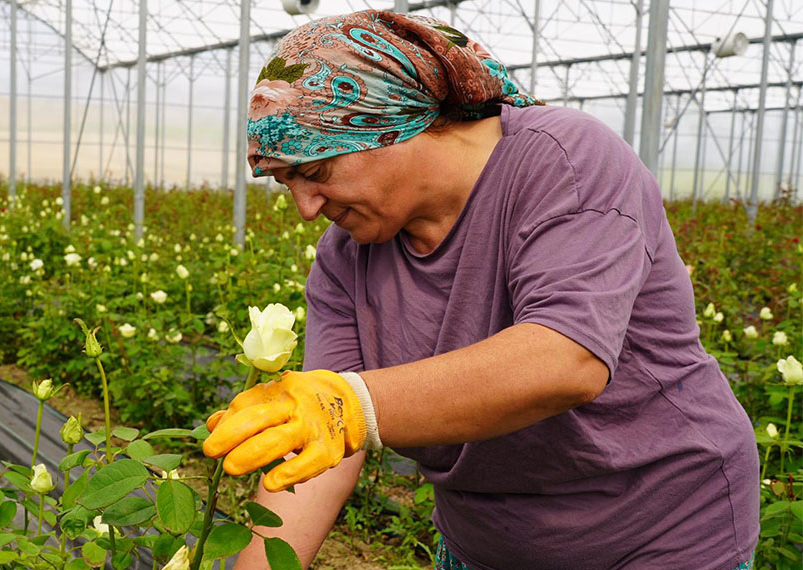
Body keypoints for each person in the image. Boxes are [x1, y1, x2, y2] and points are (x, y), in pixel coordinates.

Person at [201, 9, 758, 570]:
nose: (305, 209)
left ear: (392, 126)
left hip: (657, 537)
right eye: (284, 182)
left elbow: (565, 361)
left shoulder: (561, 161)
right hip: (486, 544)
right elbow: (324, 442)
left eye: (316, 172)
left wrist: (353, 404)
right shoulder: (346, 256)